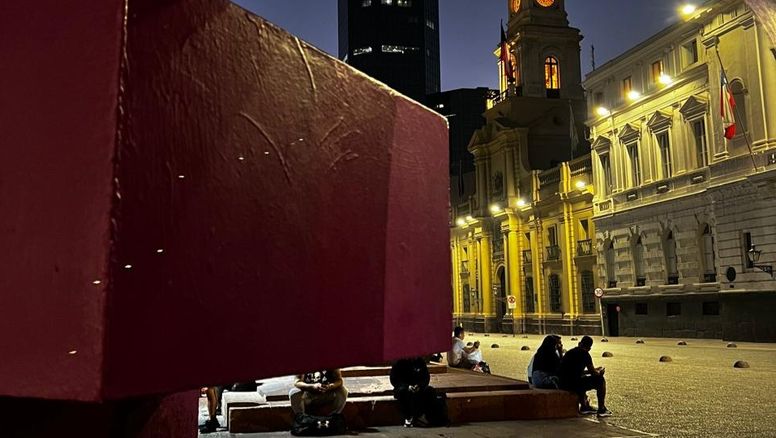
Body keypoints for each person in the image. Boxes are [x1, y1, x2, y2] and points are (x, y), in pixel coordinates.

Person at [558, 335, 612, 417]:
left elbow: (575, 371)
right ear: (589, 348)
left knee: (580, 379)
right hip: (573, 384)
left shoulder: (569, 352)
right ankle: (601, 408)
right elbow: (593, 373)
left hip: (564, 383)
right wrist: (599, 372)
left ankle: (584, 406)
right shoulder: (585, 354)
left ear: (579, 343)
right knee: (600, 380)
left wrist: (593, 370)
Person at [390, 357, 439, 427]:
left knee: (430, 391)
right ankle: (408, 417)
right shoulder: (399, 362)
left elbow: (426, 378)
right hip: (403, 387)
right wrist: (407, 386)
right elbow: (394, 380)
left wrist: (419, 385)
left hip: (418, 387)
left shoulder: (420, 362)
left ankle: (422, 415)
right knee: (403, 392)